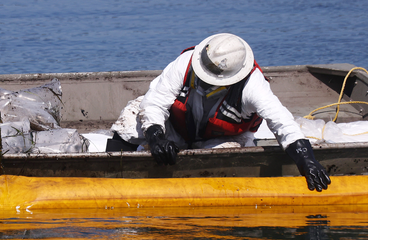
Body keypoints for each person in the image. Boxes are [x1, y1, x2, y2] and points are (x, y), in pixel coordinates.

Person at [108, 33, 331, 192]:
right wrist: (155, 138)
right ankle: (109, 174)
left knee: (227, 157)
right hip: (178, 127)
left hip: (223, 139)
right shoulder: (186, 63)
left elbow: (282, 123)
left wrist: (307, 162)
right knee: (131, 116)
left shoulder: (253, 85)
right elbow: (155, 102)